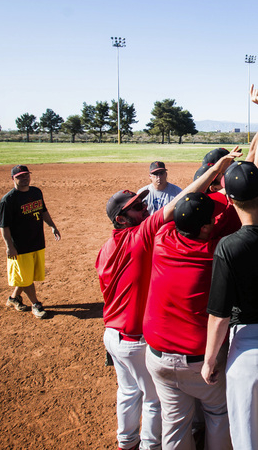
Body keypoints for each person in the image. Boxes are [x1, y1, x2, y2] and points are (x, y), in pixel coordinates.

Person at [143, 149, 243, 450]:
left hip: (157, 356)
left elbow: (178, 203)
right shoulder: (212, 254)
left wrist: (213, 172)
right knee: (218, 414)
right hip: (198, 361)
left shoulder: (162, 238)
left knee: (175, 422)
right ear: (204, 228)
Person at [201, 161, 258, 450]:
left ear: (230, 200)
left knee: (247, 438)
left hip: (250, 347)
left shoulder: (229, 246)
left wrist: (210, 360)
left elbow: (219, 315)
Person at [96, 188, 163, 450]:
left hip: (112, 335)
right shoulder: (138, 237)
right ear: (121, 219)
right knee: (154, 398)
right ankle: (150, 446)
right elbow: (177, 205)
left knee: (127, 391)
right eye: (137, 207)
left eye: (143, 203)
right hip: (135, 340)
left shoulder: (105, 248)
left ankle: (126, 442)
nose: (145, 208)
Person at [0, 165, 60, 319]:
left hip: (37, 241)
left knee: (27, 275)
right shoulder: (8, 200)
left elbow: (43, 211)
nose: (24, 178)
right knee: (25, 276)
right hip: (20, 247)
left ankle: (13, 299)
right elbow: (4, 226)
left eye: (26, 175)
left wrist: (52, 226)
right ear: (13, 178)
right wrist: (9, 247)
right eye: (20, 176)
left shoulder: (36, 192)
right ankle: (36, 304)